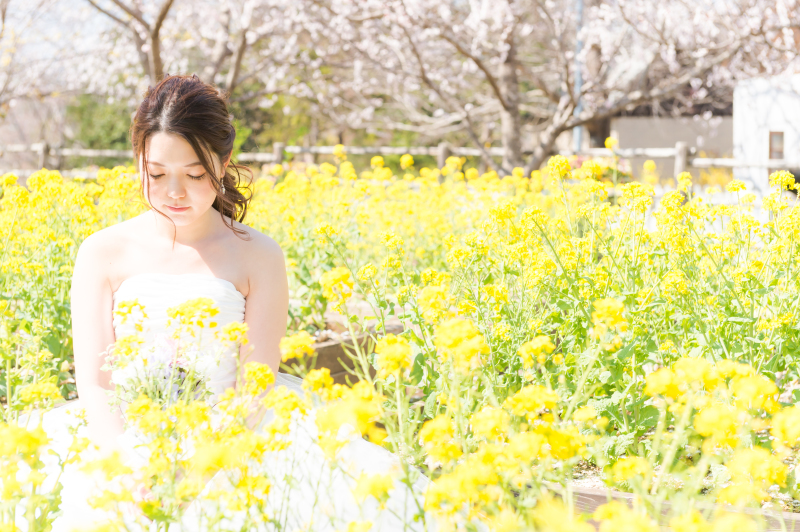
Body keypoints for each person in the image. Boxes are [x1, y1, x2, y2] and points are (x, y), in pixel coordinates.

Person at [36, 74, 429, 532]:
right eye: (157, 174)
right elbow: (96, 382)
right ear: (138, 162)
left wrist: (197, 470)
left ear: (223, 165)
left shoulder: (258, 255)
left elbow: (254, 382)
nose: (174, 193)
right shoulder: (101, 251)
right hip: (120, 436)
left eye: (195, 175)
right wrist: (127, 466)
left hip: (237, 430)